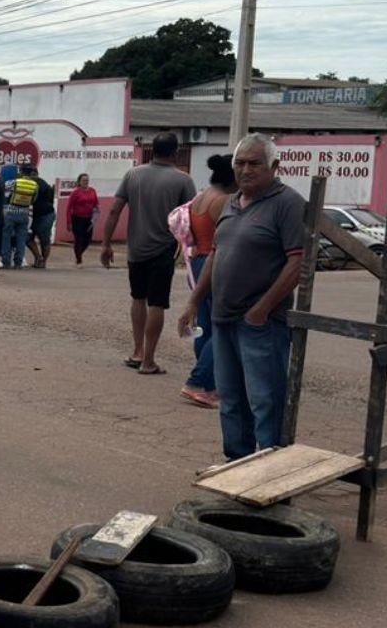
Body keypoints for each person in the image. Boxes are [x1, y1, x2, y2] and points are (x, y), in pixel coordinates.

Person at [178, 134, 306, 461]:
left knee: (265, 398)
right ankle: (236, 463)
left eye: (254, 163)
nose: (245, 170)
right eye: (240, 163)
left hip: (260, 324)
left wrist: (261, 310)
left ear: (274, 166)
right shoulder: (232, 203)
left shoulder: (287, 203)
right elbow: (217, 253)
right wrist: (194, 300)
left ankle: (269, 468)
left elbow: (299, 261)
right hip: (224, 318)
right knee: (231, 397)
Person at [101, 133, 196, 375]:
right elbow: (189, 218)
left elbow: (114, 211)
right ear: (175, 152)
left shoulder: (133, 174)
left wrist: (106, 244)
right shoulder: (183, 180)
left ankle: (137, 351)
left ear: (152, 150)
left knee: (138, 298)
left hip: (136, 250)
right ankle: (149, 361)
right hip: (163, 250)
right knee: (157, 303)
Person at [179, 155, 235, 409]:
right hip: (216, 263)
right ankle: (199, 382)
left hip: (198, 263)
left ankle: (209, 385)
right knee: (223, 327)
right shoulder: (224, 201)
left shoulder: (202, 196)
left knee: (206, 326)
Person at [2, 165, 36, 269]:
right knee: (21, 239)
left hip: (11, 212)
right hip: (24, 213)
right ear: (31, 173)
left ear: (20, 172)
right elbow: (33, 200)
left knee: (6, 238)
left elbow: (3, 191)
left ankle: (6, 262)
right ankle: (18, 263)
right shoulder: (34, 185)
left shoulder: (13, 182)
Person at [27, 165, 57, 268]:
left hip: (44, 215)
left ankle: (41, 260)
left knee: (42, 238)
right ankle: (40, 259)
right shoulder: (43, 183)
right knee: (31, 238)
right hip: (43, 214)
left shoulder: (35, 184)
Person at [67, 173, 99, 266]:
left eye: (87, 180)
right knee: (79, 239)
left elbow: (96, 203)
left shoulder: (92, 191)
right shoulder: (76, 192)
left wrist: (96, 213)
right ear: (79, 182)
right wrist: (68, 222)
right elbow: (69, 208)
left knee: (87, 239)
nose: (86, 182)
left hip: (89, 219)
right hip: (77, 219)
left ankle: (79, 253)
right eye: (84, 180)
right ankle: (79, 259)